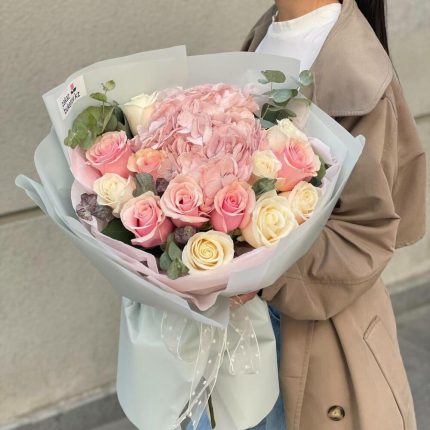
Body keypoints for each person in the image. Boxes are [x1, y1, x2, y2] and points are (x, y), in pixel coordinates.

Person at [194, 0, 426, 429]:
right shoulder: (268, 31)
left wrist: (260, 274)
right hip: (236, 325)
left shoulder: (359, 73)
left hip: (307, 331)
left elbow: (365, 233)